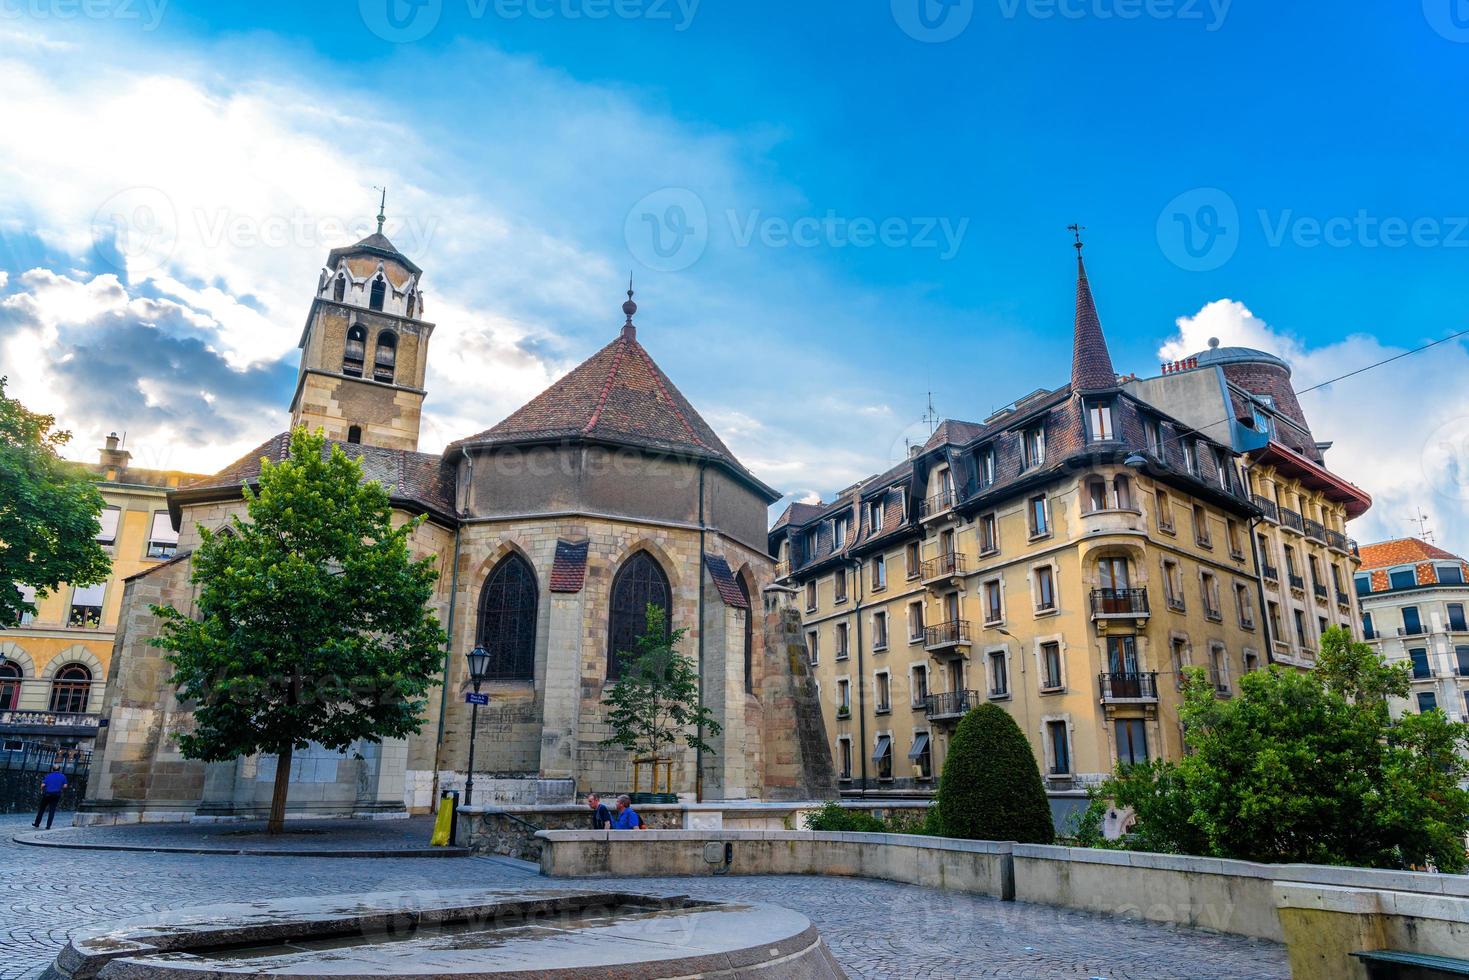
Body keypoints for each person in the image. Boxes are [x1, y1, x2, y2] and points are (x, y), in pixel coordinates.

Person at [33, 764, 67, 830]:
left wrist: (42, 790)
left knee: (42, 809)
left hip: (47, 794)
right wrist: (59, 787)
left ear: (52, 769)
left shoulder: (48, 776)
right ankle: (48, 826)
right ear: (59, 769)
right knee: (52, 810)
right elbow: (65, 786)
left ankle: (37, 823)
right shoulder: (63, 776)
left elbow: (43, 785)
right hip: (56, 794)